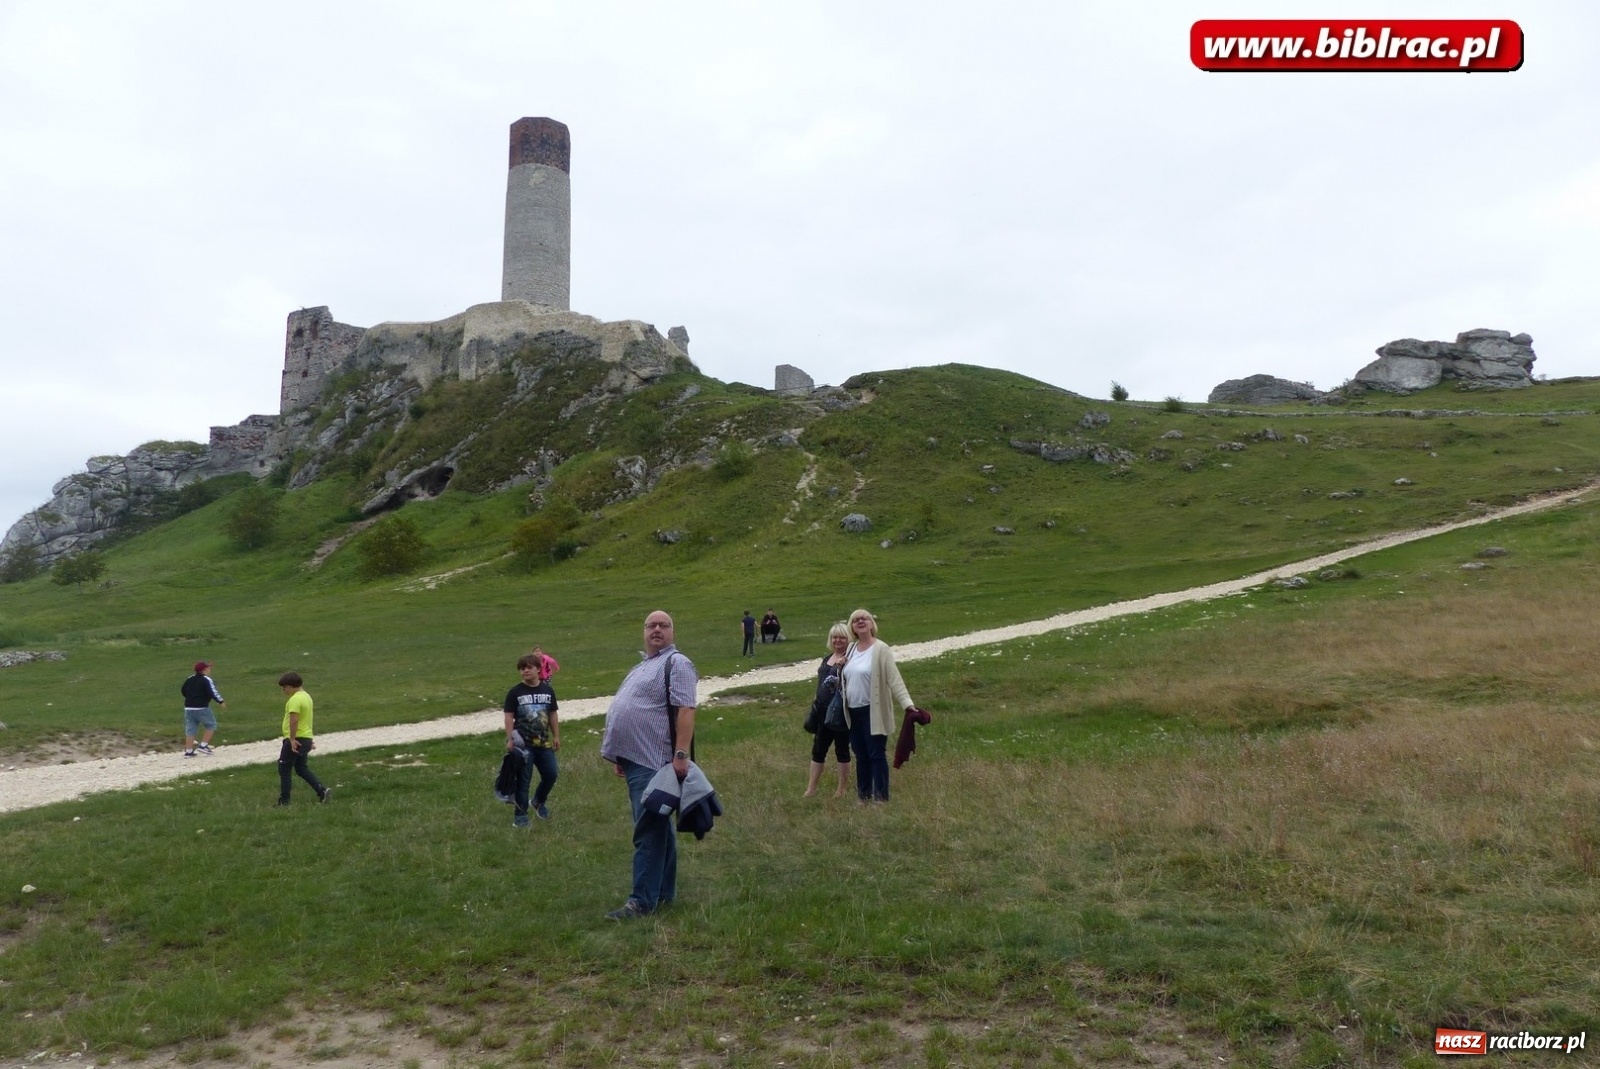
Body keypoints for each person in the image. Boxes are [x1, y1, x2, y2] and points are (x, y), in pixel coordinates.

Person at [599, 610, 697, 920]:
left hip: (655, 759)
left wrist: (681, 754)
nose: (657, 630)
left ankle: (641, 902)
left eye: (664, 625)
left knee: (648, 829)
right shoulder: (644, 665)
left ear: (673, 631)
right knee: (659, 826)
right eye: (651, 625)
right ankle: (663, 893)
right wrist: (620, 755)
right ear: (643, 632)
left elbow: (686, 709)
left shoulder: (676, 663)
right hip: (635, 759)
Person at [841, 608, 917, 803]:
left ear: (871, 624)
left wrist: (908, 705)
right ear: (852, 628)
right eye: (856, 619)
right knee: (861, 755)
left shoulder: (881, 649)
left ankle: (880, 798)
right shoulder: (850, 649)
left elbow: (894, 679)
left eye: (864, 618)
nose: (860, 621)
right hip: (852, 712)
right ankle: (863, 797)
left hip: (873, 711)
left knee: (876, 754)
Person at [504, 652, 561, 827]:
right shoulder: (515, 692)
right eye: (522, 668)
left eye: (529, 667)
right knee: (523, 781)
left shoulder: (547, 690)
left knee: (551, 774)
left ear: (538, 669)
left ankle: (538, 801)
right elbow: (508, 717)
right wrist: (510, 739)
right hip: (523, 745)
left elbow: (552, 714)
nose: (525, 671)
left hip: (543, 744)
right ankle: (520, 818)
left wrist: (556, 736)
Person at [804, 623, 852, 798]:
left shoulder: (850, 659)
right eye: (834, 637)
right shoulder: (827, 658)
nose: (838, 640)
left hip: (839, 712)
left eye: (842, 637)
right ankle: (811, 788)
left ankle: (841, 789)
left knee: (842, 750)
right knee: (818, 749)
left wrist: (841, 667)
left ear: (849, 639)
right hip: (822, 711)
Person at [276, 672, 329, 806]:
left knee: (284, 768)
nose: (283, 690)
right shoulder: (307, 697)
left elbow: (294, 720)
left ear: (291, 686)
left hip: (295, 739)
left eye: (285, 687)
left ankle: (284, 802)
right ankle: (322, 791)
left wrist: (292, 739)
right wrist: (309, 740)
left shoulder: (295, 699)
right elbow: (308, 719)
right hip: (305, 737)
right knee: (301, 768)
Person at [180, 661, 227, 757]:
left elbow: (183, 690)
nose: (210, 670)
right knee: (211, 725)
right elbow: (212, 692)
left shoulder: (190, 679)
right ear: (204, 670)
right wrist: (220, 701)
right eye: (208, 668)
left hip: (188, 707)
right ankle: (203, 745)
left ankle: (188, 751)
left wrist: (190, 697)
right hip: (201, 707)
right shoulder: (206, 679)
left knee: (191, 728)